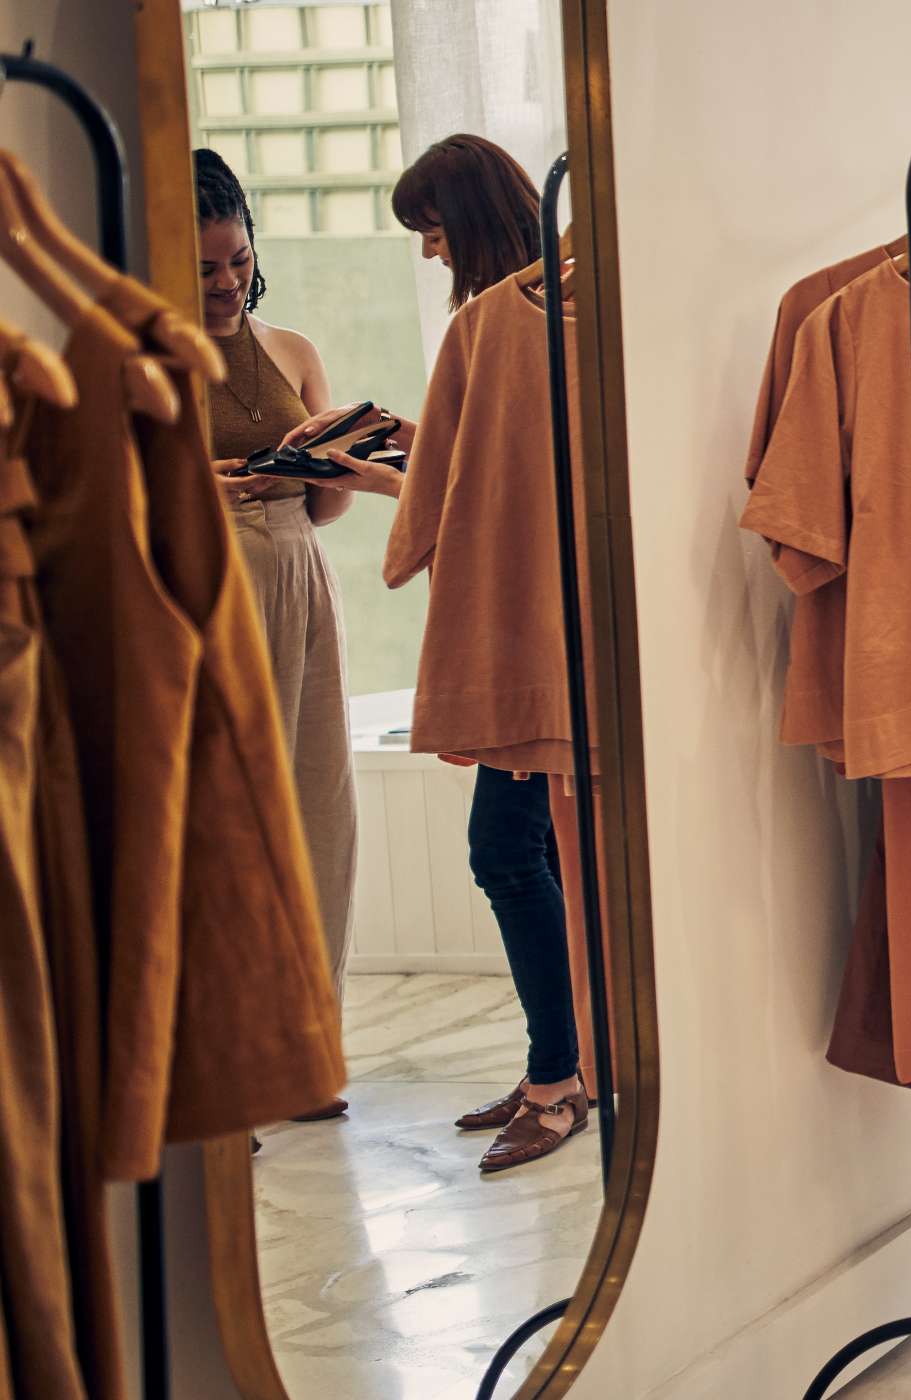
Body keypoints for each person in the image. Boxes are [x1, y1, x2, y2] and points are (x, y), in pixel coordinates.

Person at [285, 133, 589, 1174]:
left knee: (505, 850)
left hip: (523, 635)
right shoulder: (586, 315)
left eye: (430, 230)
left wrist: (349, 467)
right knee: (544, 851)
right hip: (585, 629)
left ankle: (558, 1080)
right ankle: (565, 1055)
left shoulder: (493, 322)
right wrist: (419, 446)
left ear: (466, 219)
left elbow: (447, 510)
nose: (427, 254)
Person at [196, 148, 362, 1126]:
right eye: (203, 268)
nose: (223, 284)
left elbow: (334, 508)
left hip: (301, 570)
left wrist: (320, 464)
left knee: (318, 811)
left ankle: (307, 1045)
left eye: (235, 262)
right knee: (229, 820)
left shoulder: (294, 349)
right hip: (208, 585)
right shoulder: (150, 363)